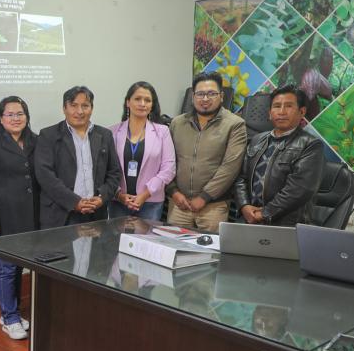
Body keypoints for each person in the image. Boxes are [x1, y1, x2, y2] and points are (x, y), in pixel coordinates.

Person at [0, 96, 38, 340]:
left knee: (20, 266)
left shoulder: (35, 140)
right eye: (10, 114)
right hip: (5, 217)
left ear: (27, 116)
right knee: (7, 267)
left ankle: (11, 312)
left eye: (20, 113)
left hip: (31, 216)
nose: (15, 118)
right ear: (1, 118)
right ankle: (10, 317)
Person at [166, 72, 247, 232]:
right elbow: (166, 161)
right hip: (179, 204)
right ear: (193, 96)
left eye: (211, 94)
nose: (205, 99)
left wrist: (204, 197)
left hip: (213, 206)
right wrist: (173, 191)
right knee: (174, 245)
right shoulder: (177, 123)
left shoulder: (235, 125)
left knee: (211, 247)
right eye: (200, 94)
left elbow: (230, 167)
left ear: (221, 96)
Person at [234, 84, 324, 226]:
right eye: (276, 106)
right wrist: (244, 206)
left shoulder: (311, 145)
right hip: (250, 219)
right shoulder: (257, 140)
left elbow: (298, 190)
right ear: (270, 113)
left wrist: (264, 214)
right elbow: (241, 177)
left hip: (286, 224)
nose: (281, 112)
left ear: (302, 112)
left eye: (288, 106)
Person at [35, 86, 121, 229]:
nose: (80, 111)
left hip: (96, 213)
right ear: (64, 108)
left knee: (96, 245)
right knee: (61, 245)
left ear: (92, 108)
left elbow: (114, 172)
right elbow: (45, 176)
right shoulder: (48, 135)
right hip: (61, 213)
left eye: (85, 106)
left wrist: (102, 198)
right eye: (73, 105)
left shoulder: (105, 135)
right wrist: (74, 202)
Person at [109, 81, 176, 221]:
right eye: (137, 99)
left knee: (147, 236)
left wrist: (145, 194)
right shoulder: (112, 132)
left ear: (152, 105)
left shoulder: (162, 132)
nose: (142, 104)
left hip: (151, 202)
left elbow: (169, 169)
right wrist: (119, 195)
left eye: (147, 100)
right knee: (117, 236)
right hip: (119, 202)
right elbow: (106, 169)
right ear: (128, 102)